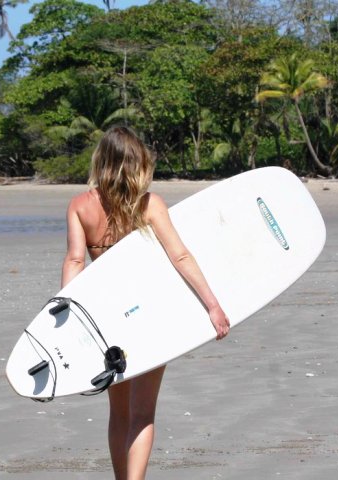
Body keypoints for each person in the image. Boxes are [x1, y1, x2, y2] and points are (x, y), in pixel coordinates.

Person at [61, 125, 230, 480]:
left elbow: (76, 261)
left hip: (107, 321)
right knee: (142, 413)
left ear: (101, 161)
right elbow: (180, 256)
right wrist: (213, 305)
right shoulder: (149, 204)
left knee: (119, 413)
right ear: (137, 163)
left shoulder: (80, 207)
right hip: (152, 319)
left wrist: (66, 318)